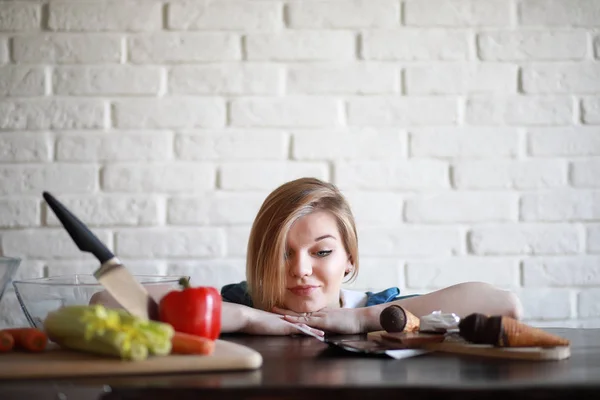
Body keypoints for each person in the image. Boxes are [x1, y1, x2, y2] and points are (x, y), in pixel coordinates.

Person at [217, 177, 523, 337]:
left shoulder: (373, 309)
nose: (301, 269)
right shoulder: (242, 303)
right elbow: (168, 305)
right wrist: (250, 317)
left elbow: (506, 305)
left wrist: (363, 320)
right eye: (283, 254)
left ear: (349, 258)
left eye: (322, 252)